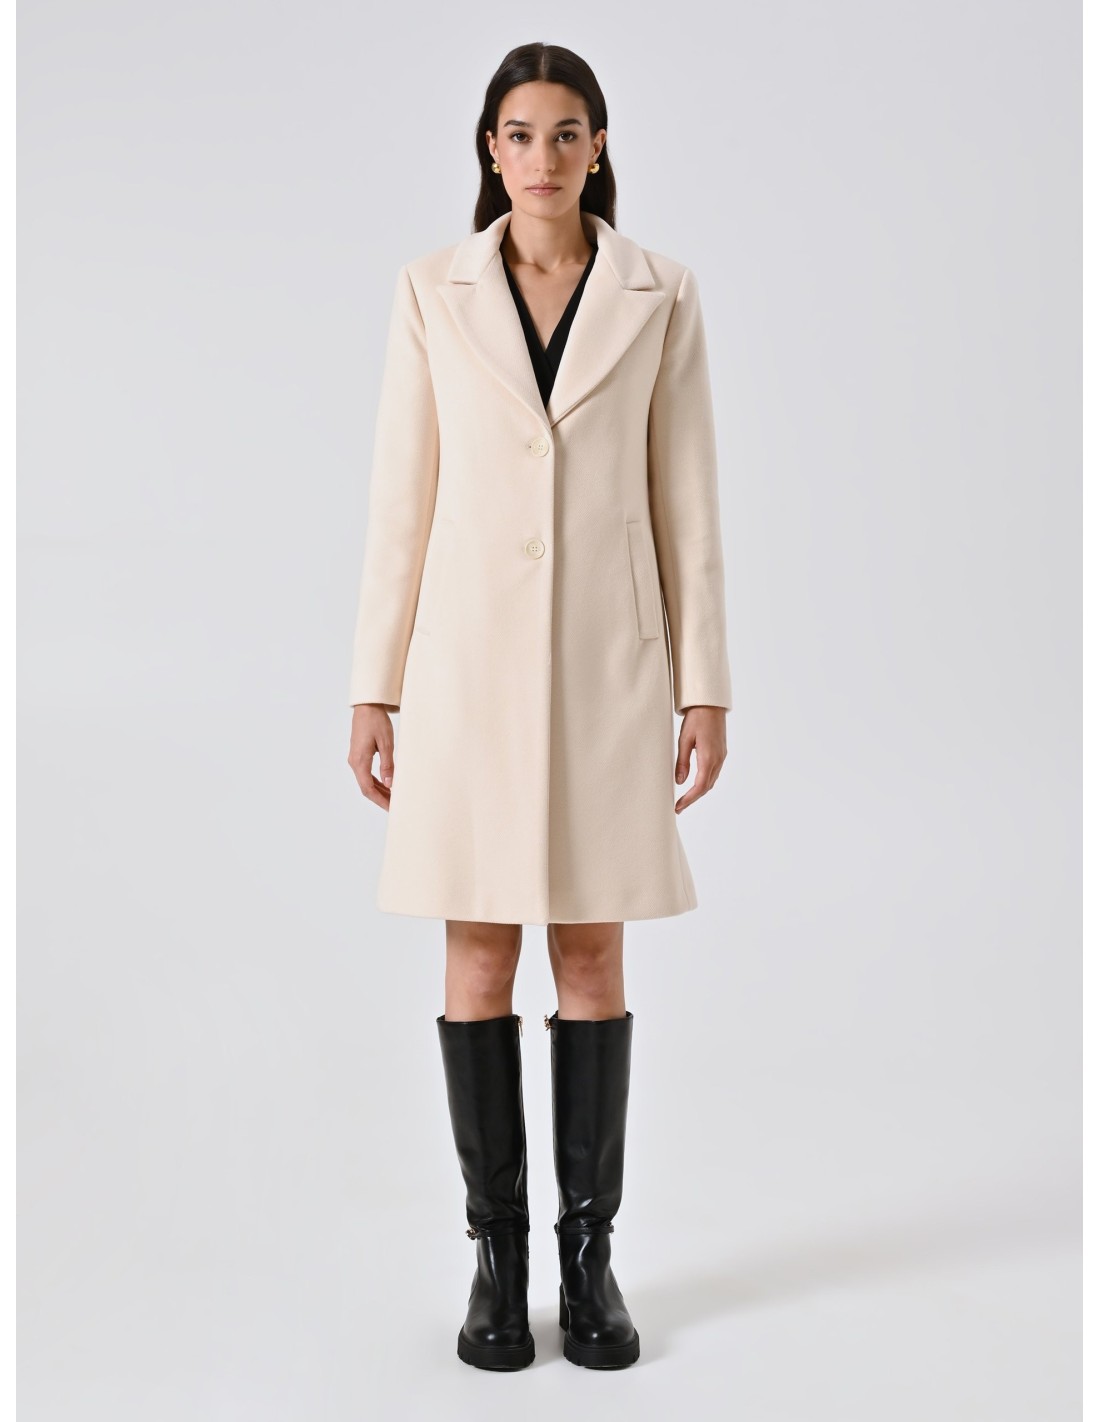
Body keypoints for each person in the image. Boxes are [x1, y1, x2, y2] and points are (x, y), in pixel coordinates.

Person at [346, 42, 733, 1372]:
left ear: (599, 146)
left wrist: (705, 683)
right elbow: (401, 499)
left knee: (590, 952)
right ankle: (496, 1261)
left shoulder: (660, 293)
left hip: (611, 666)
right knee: (474, 948)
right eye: (522, 134)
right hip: (462, 667)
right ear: (490, 150)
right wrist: (374, 683)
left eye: (569, 133)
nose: (545, 157)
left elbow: (689, 501)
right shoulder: (430, 292)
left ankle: (590, 1257)